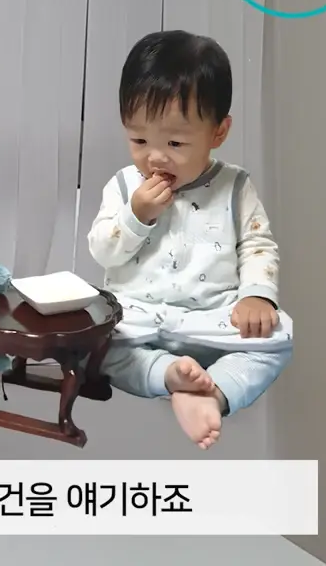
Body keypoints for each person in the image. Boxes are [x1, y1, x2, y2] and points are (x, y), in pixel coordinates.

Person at [88, 30, 291, 450]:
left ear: (218, 132)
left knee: (277, 340)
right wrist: (136, 215)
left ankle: (214, 391)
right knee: (97, 345)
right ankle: (168, 376)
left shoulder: (234, 186)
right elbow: (103, 250)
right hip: (138, 319)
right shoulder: (125, 186)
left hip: (212, 319)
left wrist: (256, 296)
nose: (155, 157)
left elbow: (257, 246)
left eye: (175, 142)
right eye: (139, 140)